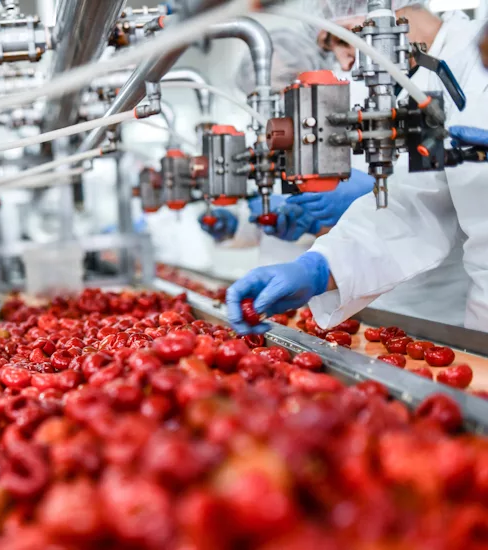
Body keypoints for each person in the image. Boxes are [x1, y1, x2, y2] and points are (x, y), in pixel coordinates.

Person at [227, 0, 488, 334]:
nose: (343, 60)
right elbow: (416, 204)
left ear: (387, 13)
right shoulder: (400, 84)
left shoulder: (476, 53)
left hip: (441, 298)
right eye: (331, 45)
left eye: (343, 38)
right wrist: (321, 267)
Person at [198, 28, 332, 265]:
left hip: (337, 280)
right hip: (277, 275)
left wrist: (316, 223)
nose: (268, 111)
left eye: (279, 92)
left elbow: (371, 222)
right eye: (256, 100)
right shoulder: (263, 141)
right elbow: (263, 229)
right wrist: (235, 225)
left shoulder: (333, 134)